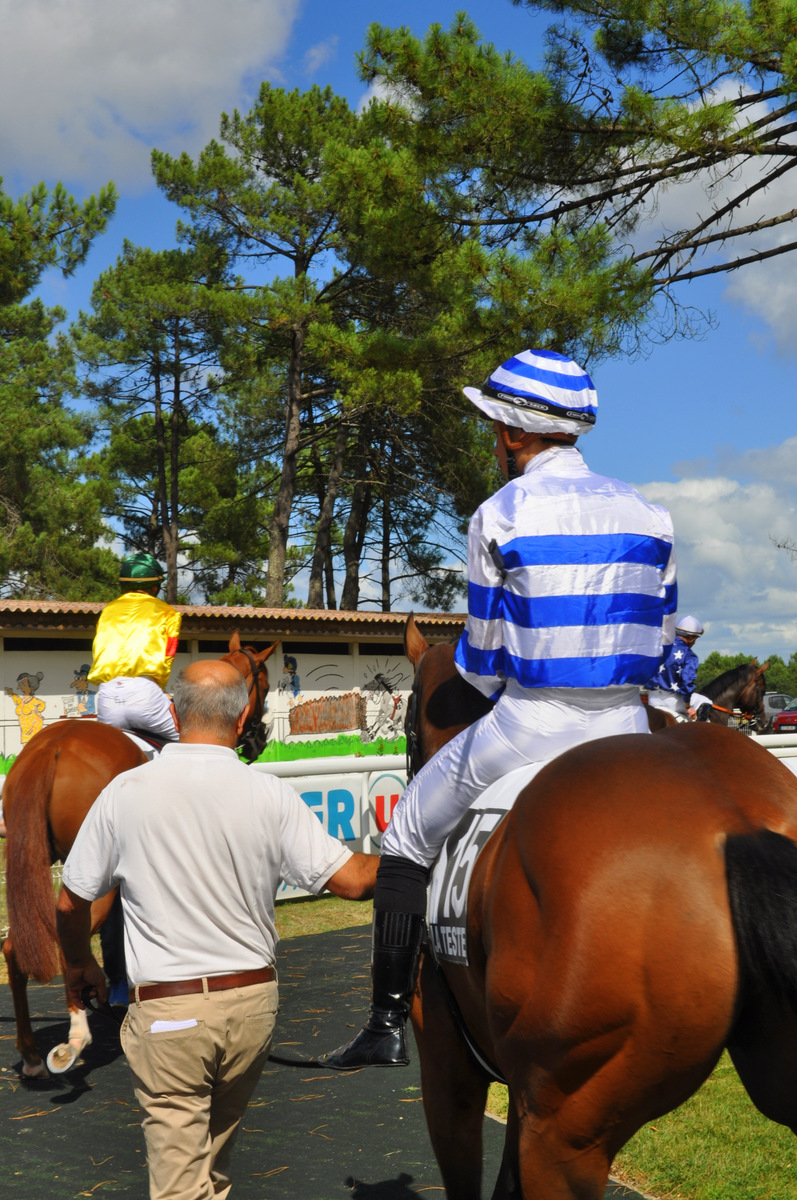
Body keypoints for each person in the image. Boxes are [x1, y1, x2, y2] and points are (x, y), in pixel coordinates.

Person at [321, 347, 677, 1071]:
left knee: (408, 835)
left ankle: (386, 1022)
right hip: (631, 729)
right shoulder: (652, 512)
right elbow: (664, 643)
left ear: (513, 435)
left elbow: (481, 664)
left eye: (493, 430)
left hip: (533, 721)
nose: (493, 442)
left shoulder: (498, 512)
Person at [55, 659, 377, 1200]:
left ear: (174, 711)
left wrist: (77, 963)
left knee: (180, 1185)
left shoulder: (126, 791)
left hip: (170, 1012)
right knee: (214, 1168)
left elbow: (70, 904)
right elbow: (351, 881)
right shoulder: (271, 793)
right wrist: (417, 852)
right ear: (247, 710)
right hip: (253, 1007)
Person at [88, 552, 181, 739]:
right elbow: (168, 655)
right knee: (190, 739)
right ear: (155, 587)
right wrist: (161, 689)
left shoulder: (107, 611)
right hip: (145, 694)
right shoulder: (168, 613)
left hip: (107, 696)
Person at [645, 614, 709, 720]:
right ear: (691, 637)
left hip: (652, 699)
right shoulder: (689, 655)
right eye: (695, 638)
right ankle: (699, 734)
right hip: (672, 701)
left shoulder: (658, 646)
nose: (694, 642)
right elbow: (687, 682)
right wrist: (688, 707)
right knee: (706, 702)